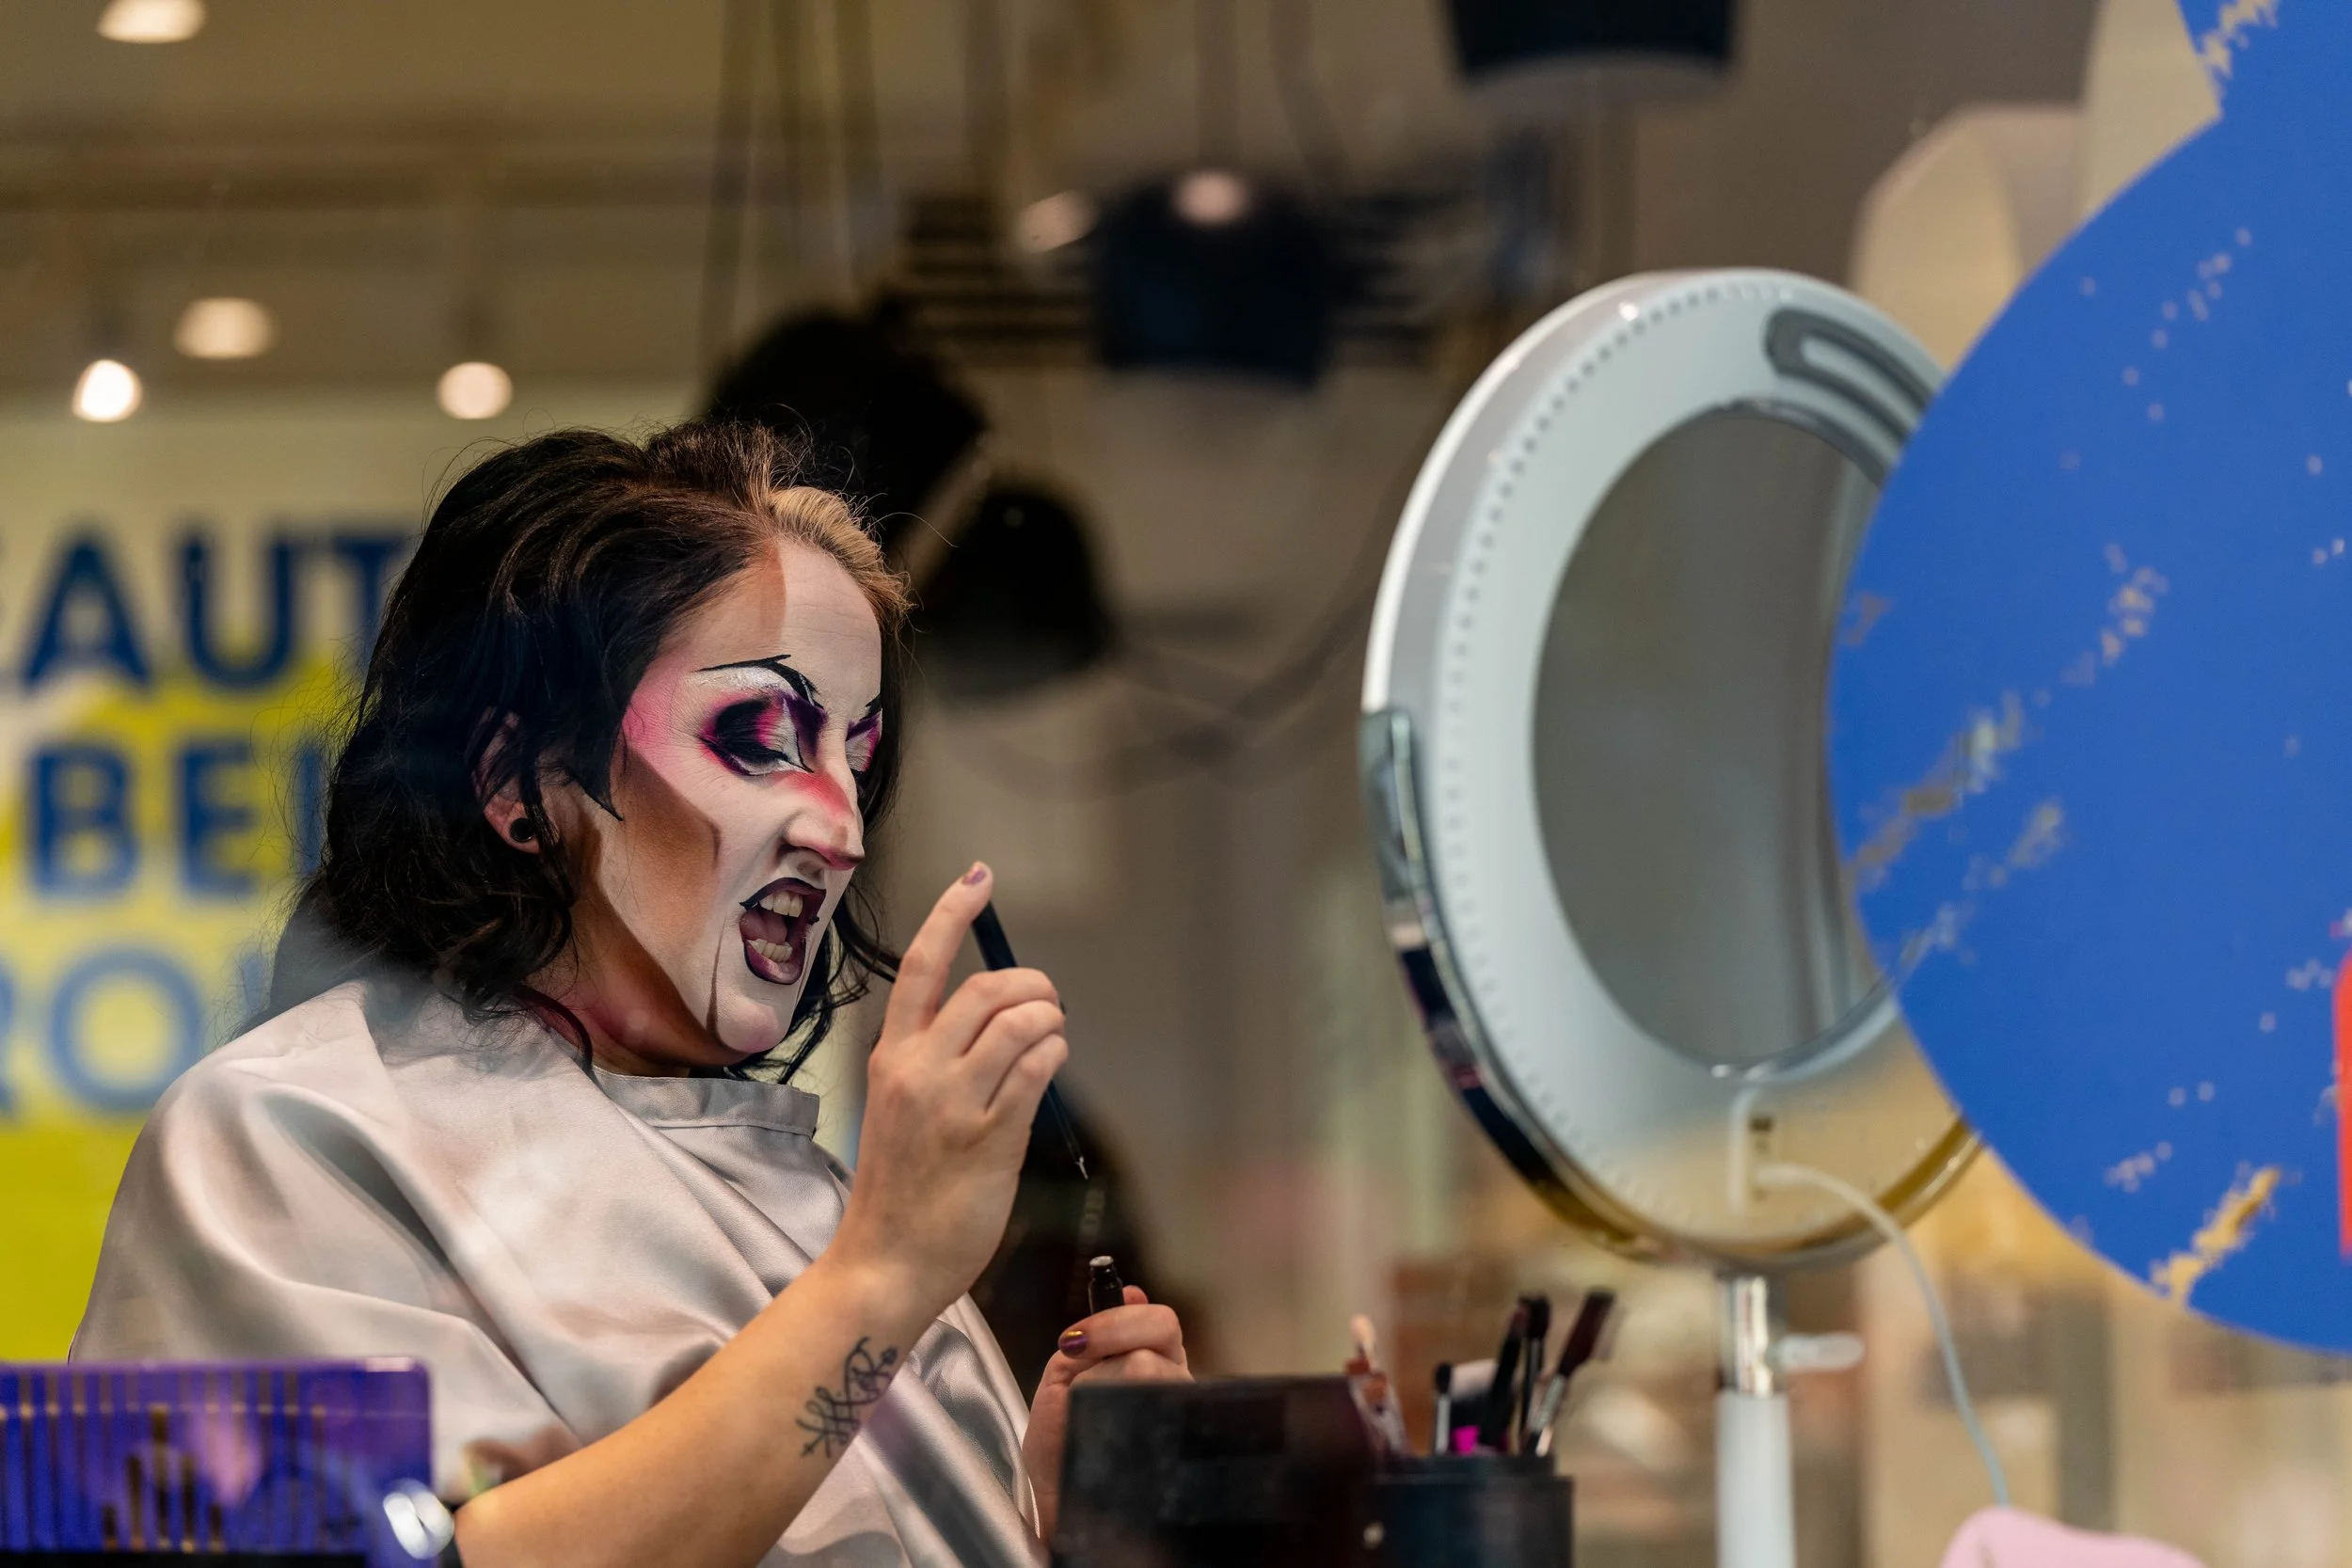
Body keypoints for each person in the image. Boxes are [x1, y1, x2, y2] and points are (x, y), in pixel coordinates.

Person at [71, 420, 1191, 1568]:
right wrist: (883, 1274)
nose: (840, 828)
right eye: (760, 735)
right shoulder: (291, 1138)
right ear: (517, 784)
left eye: (856, 753)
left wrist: (1064, 1522)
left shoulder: (817, 1199)